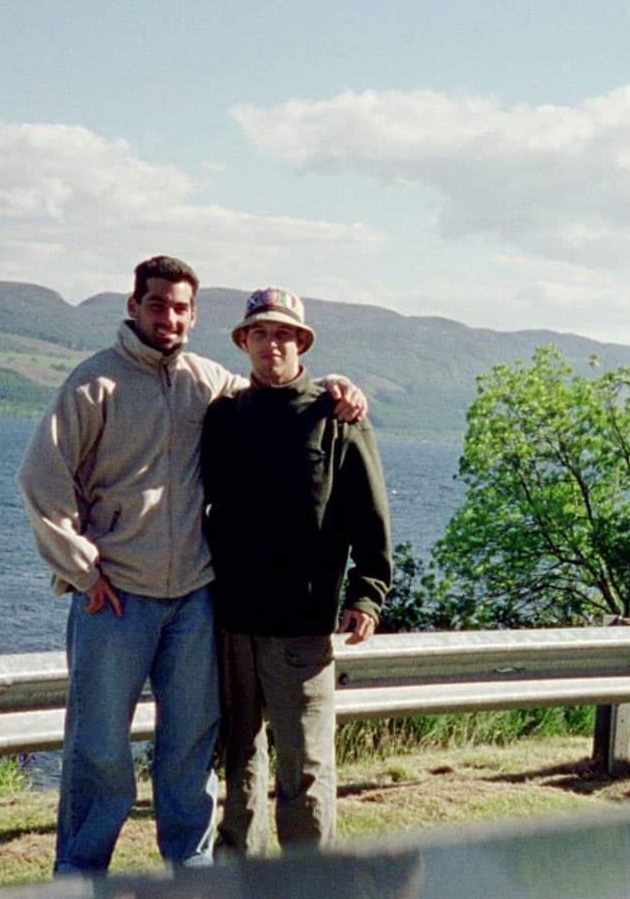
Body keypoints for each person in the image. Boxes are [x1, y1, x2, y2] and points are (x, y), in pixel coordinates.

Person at [17, 257, 367, 876]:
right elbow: (42, 482)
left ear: (195, 316)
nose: (170, 317)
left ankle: (193, 875)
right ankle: (80, 877)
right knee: (98, 750)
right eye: (158, 305)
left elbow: (275, 391)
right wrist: (82, 571)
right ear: (134, 307)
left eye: (181, 308)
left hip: (195, 602)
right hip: (116, 598)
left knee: (190, 749)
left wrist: (336, 387)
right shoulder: (93, 383)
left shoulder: (208, 381)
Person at [201, 286, 393, 857]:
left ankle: (312, 885)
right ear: (244, 342)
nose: (271, 344)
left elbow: (370, 513)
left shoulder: (335, 416)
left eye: (284, 333)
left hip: (301, 628)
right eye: (259, 333)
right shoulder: (224, 416)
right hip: (231, 622)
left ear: (301, 342)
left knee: (306, 771)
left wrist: (367, 593)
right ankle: (243, 880)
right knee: (239, 761)